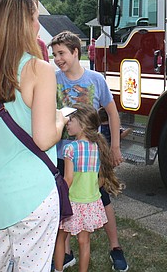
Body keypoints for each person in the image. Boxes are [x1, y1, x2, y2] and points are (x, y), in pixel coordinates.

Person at [0, 0, 65, 271]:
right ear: (24, 22)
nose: (38, 25)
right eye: (35, 18)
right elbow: (45, 137)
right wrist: (60, 119)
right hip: (31, 193)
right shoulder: (39, 69)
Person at [50, 30, 128, 272]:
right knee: (66, 199)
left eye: (62, 53)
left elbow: (112, 113)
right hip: (62, 153)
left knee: (100, 198)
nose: (58, 59)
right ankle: (67, 253)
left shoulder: (96, 79)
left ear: (76, 52)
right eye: (54, 54)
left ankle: (115, 248)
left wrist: (114, 146)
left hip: (91, 153)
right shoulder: (53, 80)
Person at [54, 104, 123, 272]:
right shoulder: (97, 147)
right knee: (84, 242)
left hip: (71, 203)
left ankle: (58, 269)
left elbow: (68, 179)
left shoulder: (70, 148)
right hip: (90, 203)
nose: (67, 124)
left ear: (82, 124)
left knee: (60, 238)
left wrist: (58, 195)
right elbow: (101, 179)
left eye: (71, 120)